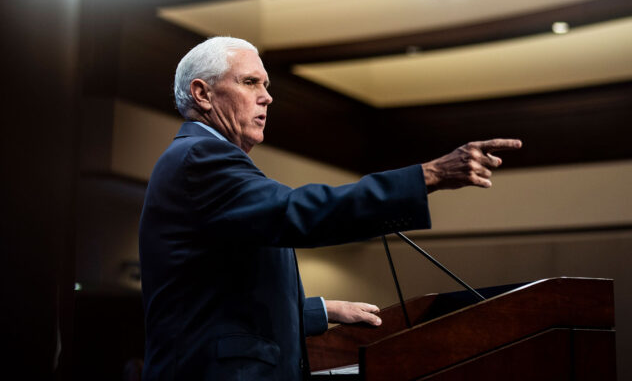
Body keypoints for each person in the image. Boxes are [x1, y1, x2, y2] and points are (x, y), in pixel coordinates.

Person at [139, 36, 521, 380]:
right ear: (202, 94)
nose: (267, 97)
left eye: (266, 85)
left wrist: (324, 310)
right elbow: (297, 212)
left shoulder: (205, 159)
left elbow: (219, 302)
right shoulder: (200, 158)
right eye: (250, 82)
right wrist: (428, 176)